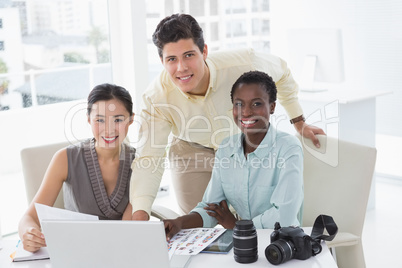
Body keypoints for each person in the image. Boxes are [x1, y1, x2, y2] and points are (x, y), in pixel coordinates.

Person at [130, 13, 323, 220]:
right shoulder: (156, 98)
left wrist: (298, 121)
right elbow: (149, 158)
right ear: (161, 60)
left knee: (252, 223)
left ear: (204, 51)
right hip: (191, 150)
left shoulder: (244, 64)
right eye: (171, 59)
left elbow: (283, 73)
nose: (182, 67)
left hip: (242, 147)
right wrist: (140, 214)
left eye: (189, 55)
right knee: (199, 226)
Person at [164, 71, 304, 239]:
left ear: (272, 106)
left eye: (256, 104)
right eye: (239, 104)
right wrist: (180, 223)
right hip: (243, 242)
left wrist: (236, 226)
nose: (245, 112)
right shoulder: (226, 149)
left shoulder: (288, 148)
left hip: (281, 243)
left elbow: (284, 216)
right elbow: (211, 209)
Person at [18, 83, 135, 252]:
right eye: (100, 120)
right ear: (88, 119)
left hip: (121, 249)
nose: (109, 130)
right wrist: (28, 233)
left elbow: (129, 232)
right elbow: (29, 217)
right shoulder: (65, 159)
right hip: (74, 251)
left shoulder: (139, 163)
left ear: (130, 119)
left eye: (118, 120)